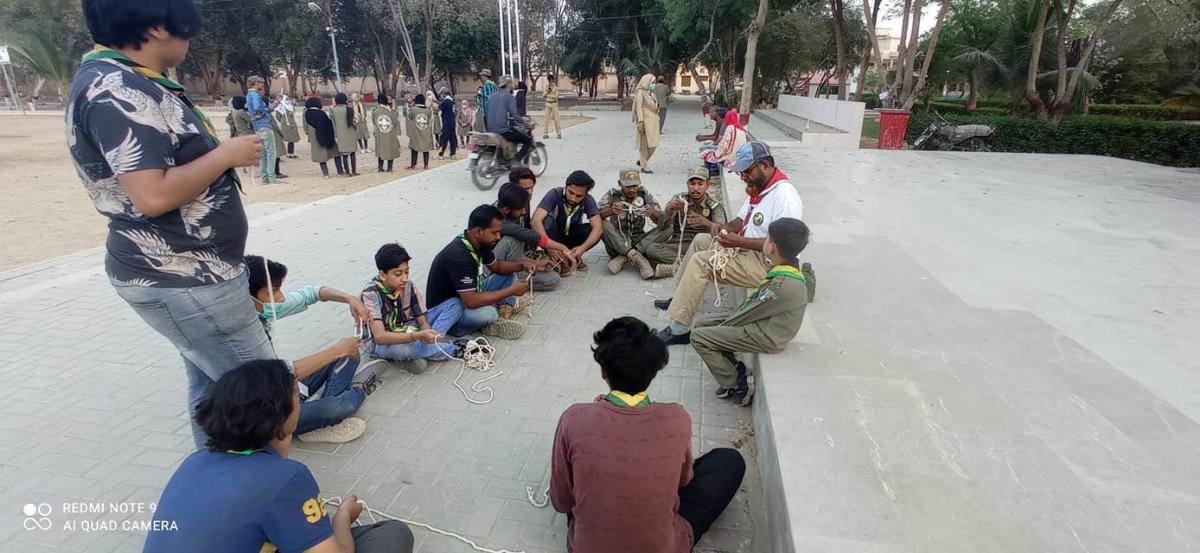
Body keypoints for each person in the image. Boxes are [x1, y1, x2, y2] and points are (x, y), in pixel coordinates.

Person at [71, 0, 271, 448]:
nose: (189, 40)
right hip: (183, 279)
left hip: (193, 275)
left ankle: (214, 490)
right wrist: (225, 154)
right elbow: (153, 195)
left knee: (213, 389)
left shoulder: (133, 81)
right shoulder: (114, 90)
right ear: (160, 26)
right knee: (261, 394)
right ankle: (268, 501)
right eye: (187, 30)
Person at [142, 359, 415, 553]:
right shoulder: (288, 478)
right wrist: (342, 516)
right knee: (391, 537)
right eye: (297, 395)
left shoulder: (195, 461)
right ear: (279, 417)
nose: (301, 401)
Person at [549, 317, 746, 553]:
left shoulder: (574, 418)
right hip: (662, 546)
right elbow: (683, 482)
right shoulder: (677, 417)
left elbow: (562, 502)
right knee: (729, 461)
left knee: (576, 468)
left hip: (587, 547)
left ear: (603, 371)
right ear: (654, 372)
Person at [653, 142, 804, 345]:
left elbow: (781, 247)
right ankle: (681, 298)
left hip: (769, 265)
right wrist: (721, 228)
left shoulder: (784, 196)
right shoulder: (760, 188)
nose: (743, 177)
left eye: (747, 171)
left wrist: (738, 241)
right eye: (740, 172)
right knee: (701, 240)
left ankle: (679, 329)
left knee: (701, 262)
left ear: (765, 165)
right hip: (747, 251)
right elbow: (740, 221)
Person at [245, 255, 374, 443]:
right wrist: (337, 350)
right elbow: (273, 377)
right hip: (269, 412)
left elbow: (312, 294)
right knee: (341, 406)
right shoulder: (240, 338)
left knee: (351, 353)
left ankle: (317, 413)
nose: (280, 298)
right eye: (273, 292)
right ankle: (356, 390)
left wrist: (350, 299)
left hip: (286, 386)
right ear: (247, 297)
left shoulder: (263, 308)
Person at [691, 218, 810, 406]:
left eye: (767, 239)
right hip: (762, 321)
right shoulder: (784, 270)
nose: (764, 241)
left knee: (699, 337)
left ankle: (738, 382)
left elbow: (746, 314)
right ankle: (733, 367)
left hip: (769, 335)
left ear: (772, 247)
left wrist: (719, 331)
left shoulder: (782, 284)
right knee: (701, 324)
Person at [426, 205, 535, 339]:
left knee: (508, 274)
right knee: (489, 314)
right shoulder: (458, 256)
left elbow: (497, 266)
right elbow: (471, 301)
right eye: (494, 233)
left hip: (469, 294)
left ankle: (499, 312)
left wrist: (522, 265)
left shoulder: (477, 242)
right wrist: (511, 291)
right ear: (478, 231)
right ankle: (475, 326)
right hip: (450, 310)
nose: (499, 237)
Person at [362, 243, 466, 373]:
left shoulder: (408, 286)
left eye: (407, 272)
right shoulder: (371, 294)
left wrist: (426, 331)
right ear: (383, 275)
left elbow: (422, 320)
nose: (404, 278)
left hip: (409, 327)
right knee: (402, 350)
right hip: (382, 343)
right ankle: (456, 349)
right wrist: (416, 336)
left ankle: (427, 346)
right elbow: (380, 337)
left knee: (455, 304)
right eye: (398, 274)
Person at [634, 167, 727, 279]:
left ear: (708, 185)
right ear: (687, 184)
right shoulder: (679, 199)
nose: (695, 188)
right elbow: (663, 226)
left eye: (700, 184)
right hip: (679, 244)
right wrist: (669, 210)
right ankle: (692, 266)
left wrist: (707, 223)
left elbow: (722, 233)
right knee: (652, 249)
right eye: (692, 184)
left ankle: (675, 268)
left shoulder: (714, 206)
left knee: (714, 254)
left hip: (701, 245)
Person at [494, 181, 567, 292]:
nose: (524, 212)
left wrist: (537, 264)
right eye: (521, 209)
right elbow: (529, 235)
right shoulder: (495, 221)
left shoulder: (506, 208)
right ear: (506, 210)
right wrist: (563, 248)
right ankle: (503, 286)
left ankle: (510, 284)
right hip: (490, 269)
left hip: (508, 265)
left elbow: (513, 256)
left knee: (553, 279)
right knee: (515, 238)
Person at [531, 170, 604, 273]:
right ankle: (555, 257)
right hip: (553, 238)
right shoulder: (555, 194)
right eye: (571, 192)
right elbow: (535, 220)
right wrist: (548, 246)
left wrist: (582, 248)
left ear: (585, 194)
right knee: (546, 222)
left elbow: (598, 228)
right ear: (566, 186)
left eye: (579, 196)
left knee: (597, 229)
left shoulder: (588, 200)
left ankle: (573, 256)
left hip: (571, 237)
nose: (573, 198)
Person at [599, 169, 662, 279]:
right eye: (628, 186)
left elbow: (662, 220)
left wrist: (652, 213)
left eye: (635, 185)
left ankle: (626, 257)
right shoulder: (612, 195)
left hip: (639, 240)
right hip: (617, 243)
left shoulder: (644, 195)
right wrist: (610, 211)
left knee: (668, 227)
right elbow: (595, 216)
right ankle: (638, 258)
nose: (632, 189)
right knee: (602, 224)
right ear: (620, 183)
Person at [486, 75, 533, 164]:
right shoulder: (509, 97)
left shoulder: (491, 96)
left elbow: (486, 113)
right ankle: (516, 160)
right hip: (502, 130)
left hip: (490, 129)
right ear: (508, 84)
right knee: (527, 140)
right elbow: (515, 114)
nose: (513, 84)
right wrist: (524, 122)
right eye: (511, 82)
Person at [247, 75, 281, 183]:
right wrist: (261, 114)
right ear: (256, 83)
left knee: (263, 154)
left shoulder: (249, 95)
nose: (262, 84)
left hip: (257, 127)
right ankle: (272, 177)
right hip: (264, 125)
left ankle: (265, 178)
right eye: (261, 82)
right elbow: (258, 108)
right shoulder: (255, 95)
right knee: (271, 152)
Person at [304, 96, 339, 178]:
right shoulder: (322, 113)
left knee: (321, 156)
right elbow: (329, 124)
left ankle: (325, 174)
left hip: (314, 137)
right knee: (336, 153)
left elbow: (305, 127)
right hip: (327, 135)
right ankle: (339, 171)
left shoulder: (306, 113)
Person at [633, 73, 661, 173]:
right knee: (644, 144)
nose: (653, 84)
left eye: (654, 82)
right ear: (647, 81)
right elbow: (638, 107)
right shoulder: (640, 92)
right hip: (645, 122)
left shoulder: (652, 93)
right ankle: (644, 166)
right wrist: (640, 121)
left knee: (653, 145)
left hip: (654, 122)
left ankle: (642, 160)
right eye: (652, 82)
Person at [331, 92, 360, 176]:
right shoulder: (348, 108)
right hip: (350, 133)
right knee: (352, 153)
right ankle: (354, 171)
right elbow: (354, 121)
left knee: (344, 154)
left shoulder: (334, 110)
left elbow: (334, 122)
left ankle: (347, 172)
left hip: (340, 134)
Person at [372, 93, 402, 172]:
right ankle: (390, 167)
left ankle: (380, 167)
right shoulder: (391, 111)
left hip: (380, 133)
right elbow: (395, 123)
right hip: (390, 134)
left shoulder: (375, 111)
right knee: (390, 150)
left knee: (381, 149)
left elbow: (374, 122)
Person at [405, 93, 435, 169]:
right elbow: (429, 119)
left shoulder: (413, 109)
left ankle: (413, 165)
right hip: (425, 131)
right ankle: (426, 165)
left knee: (414, 148)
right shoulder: (428, 110)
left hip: (416, 132)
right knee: (426, 149)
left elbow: (409, 117)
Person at [274, 93, 301, 158]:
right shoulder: (280, 107)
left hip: (292, 124)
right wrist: (283, 122)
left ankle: (291, 153)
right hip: (286, 125)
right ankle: (282, 154)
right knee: (287, 139)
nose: (288, 100)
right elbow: (278, 116)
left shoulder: (290, 106)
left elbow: (292, 113)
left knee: (292, 139)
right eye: (286, 99)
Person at [437, 87, 458, 159]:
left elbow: (439, 108)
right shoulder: (452, 102)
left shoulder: (446, 102)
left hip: (446, 122)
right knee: (452, 138)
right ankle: (453, 154)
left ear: (443, 94)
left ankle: (441, 154)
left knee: (444, 138)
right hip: (452, 122)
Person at [542, 75, 562, 139]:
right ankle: (545, 133)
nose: (550, 81)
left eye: (551, 80)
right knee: (546, 120)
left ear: (553, 80)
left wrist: (549, 95)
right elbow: (543, 95)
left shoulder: (556, 88)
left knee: (556, 119)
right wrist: (547, 92)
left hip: (554, 104)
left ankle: (559, 133)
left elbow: (556, 97)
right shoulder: (546, 87)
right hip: (547, 104)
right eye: (549, 80)